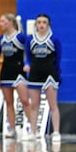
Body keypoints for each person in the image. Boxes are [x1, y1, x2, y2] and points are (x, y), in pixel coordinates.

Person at [0, 13, 31, 139]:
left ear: (10, 22)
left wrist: (28, 63)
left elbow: (29, 52)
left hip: (19, 72)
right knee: (9, 102)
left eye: (2, 21)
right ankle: (12, 130)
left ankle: (32, 129)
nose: (0, 24)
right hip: (6, 72)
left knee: (25, 101)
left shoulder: (21, 37)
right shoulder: (1, 39)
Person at [23, 13, 62, 144]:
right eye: (39, 22)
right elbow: (28, 57)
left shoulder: (54, 39)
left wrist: (57, 74)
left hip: (50, 73)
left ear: (48, 25)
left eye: (44, 22)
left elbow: (58, 58)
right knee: (34, 104)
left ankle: (56, 132)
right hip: (35, 73)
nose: (41, 25)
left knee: (53, 104)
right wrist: (27, 65)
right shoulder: (30, 40)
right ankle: (33, 132)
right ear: (36, 25)